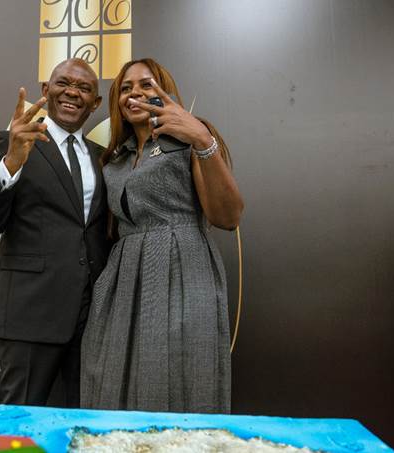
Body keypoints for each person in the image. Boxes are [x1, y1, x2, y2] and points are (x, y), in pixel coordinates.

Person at [80, 58, 244, 413]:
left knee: (182, 375)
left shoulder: (191, 140)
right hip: (124, 281)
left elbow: (228, 217)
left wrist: (202, 138)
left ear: (164, 90)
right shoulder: (114, 161)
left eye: (146, 84)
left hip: (183, 269)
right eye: (126, 88)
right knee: (113, 378)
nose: (135, 93)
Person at [0, 58, 110, 407]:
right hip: (28, 318)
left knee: (80, 424)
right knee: (19, 424)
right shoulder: (11, 143)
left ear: (95, 103)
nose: (72, 92)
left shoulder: (104, 157)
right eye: (63, 83)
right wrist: (11, 164)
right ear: (46, 90)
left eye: (84, 88)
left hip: (91, 324)